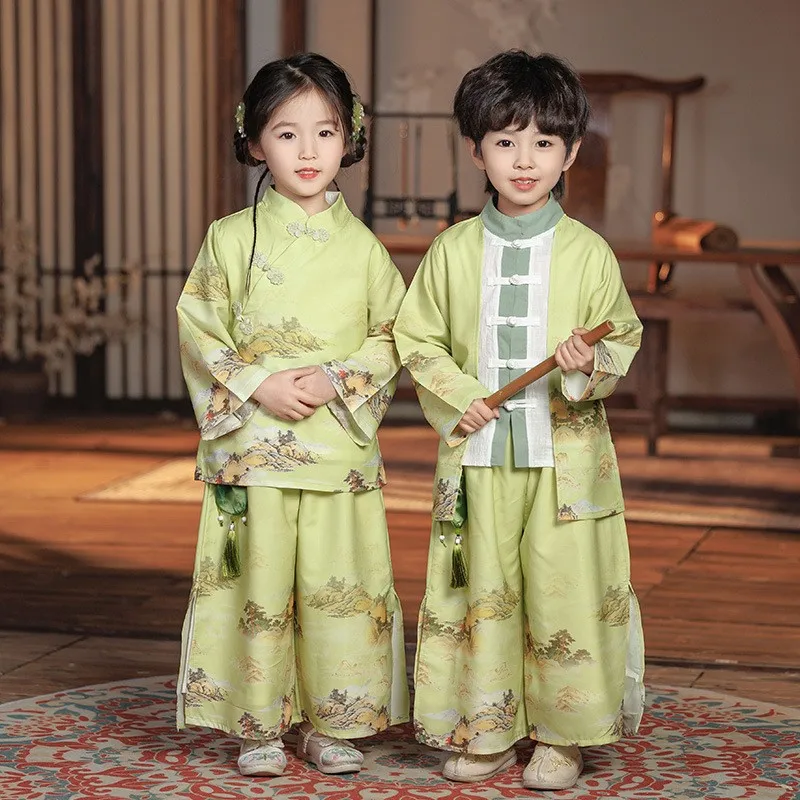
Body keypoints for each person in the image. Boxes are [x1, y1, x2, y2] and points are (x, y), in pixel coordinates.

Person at [393, 50, 645, 791]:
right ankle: (489, 729)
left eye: (543, 143)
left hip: (565, 463)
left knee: (562, 588)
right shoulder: (451, 251)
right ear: (476, 150)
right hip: (479, 459)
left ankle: (562, 736)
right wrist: (456, 390)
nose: (524, 160)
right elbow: (417, 337)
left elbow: (619, 337)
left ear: (569, 152)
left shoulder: (590, 255)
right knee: (486, 592)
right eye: (505, 142)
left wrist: (579, 365)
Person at [176, 52, 409, 778]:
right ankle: (258, 723)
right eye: (286, 133)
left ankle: (330, 722)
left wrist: (338, 377)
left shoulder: (366, 250)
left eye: (325, 132)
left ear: (351, 138)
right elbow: (199, 326)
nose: (308, 152)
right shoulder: (228, 238)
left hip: (333, 448)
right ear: (253, 142)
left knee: (337, 585)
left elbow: (396, 337)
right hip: (254, 447)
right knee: (259, 583)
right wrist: (256, 385)